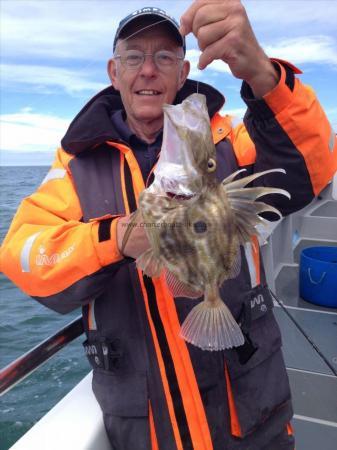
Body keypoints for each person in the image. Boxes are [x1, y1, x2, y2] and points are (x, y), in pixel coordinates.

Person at [1, 1, 336, 449]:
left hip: (250, 406)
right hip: (146, 423)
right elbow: (24, 257)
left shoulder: (228, 140)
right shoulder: (76, 165)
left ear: (182, 73)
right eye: (133, 56)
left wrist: (262, 74)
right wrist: (116, 237)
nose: (148, 70)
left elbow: (311, 170)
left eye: (165, 57)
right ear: (113, 71)